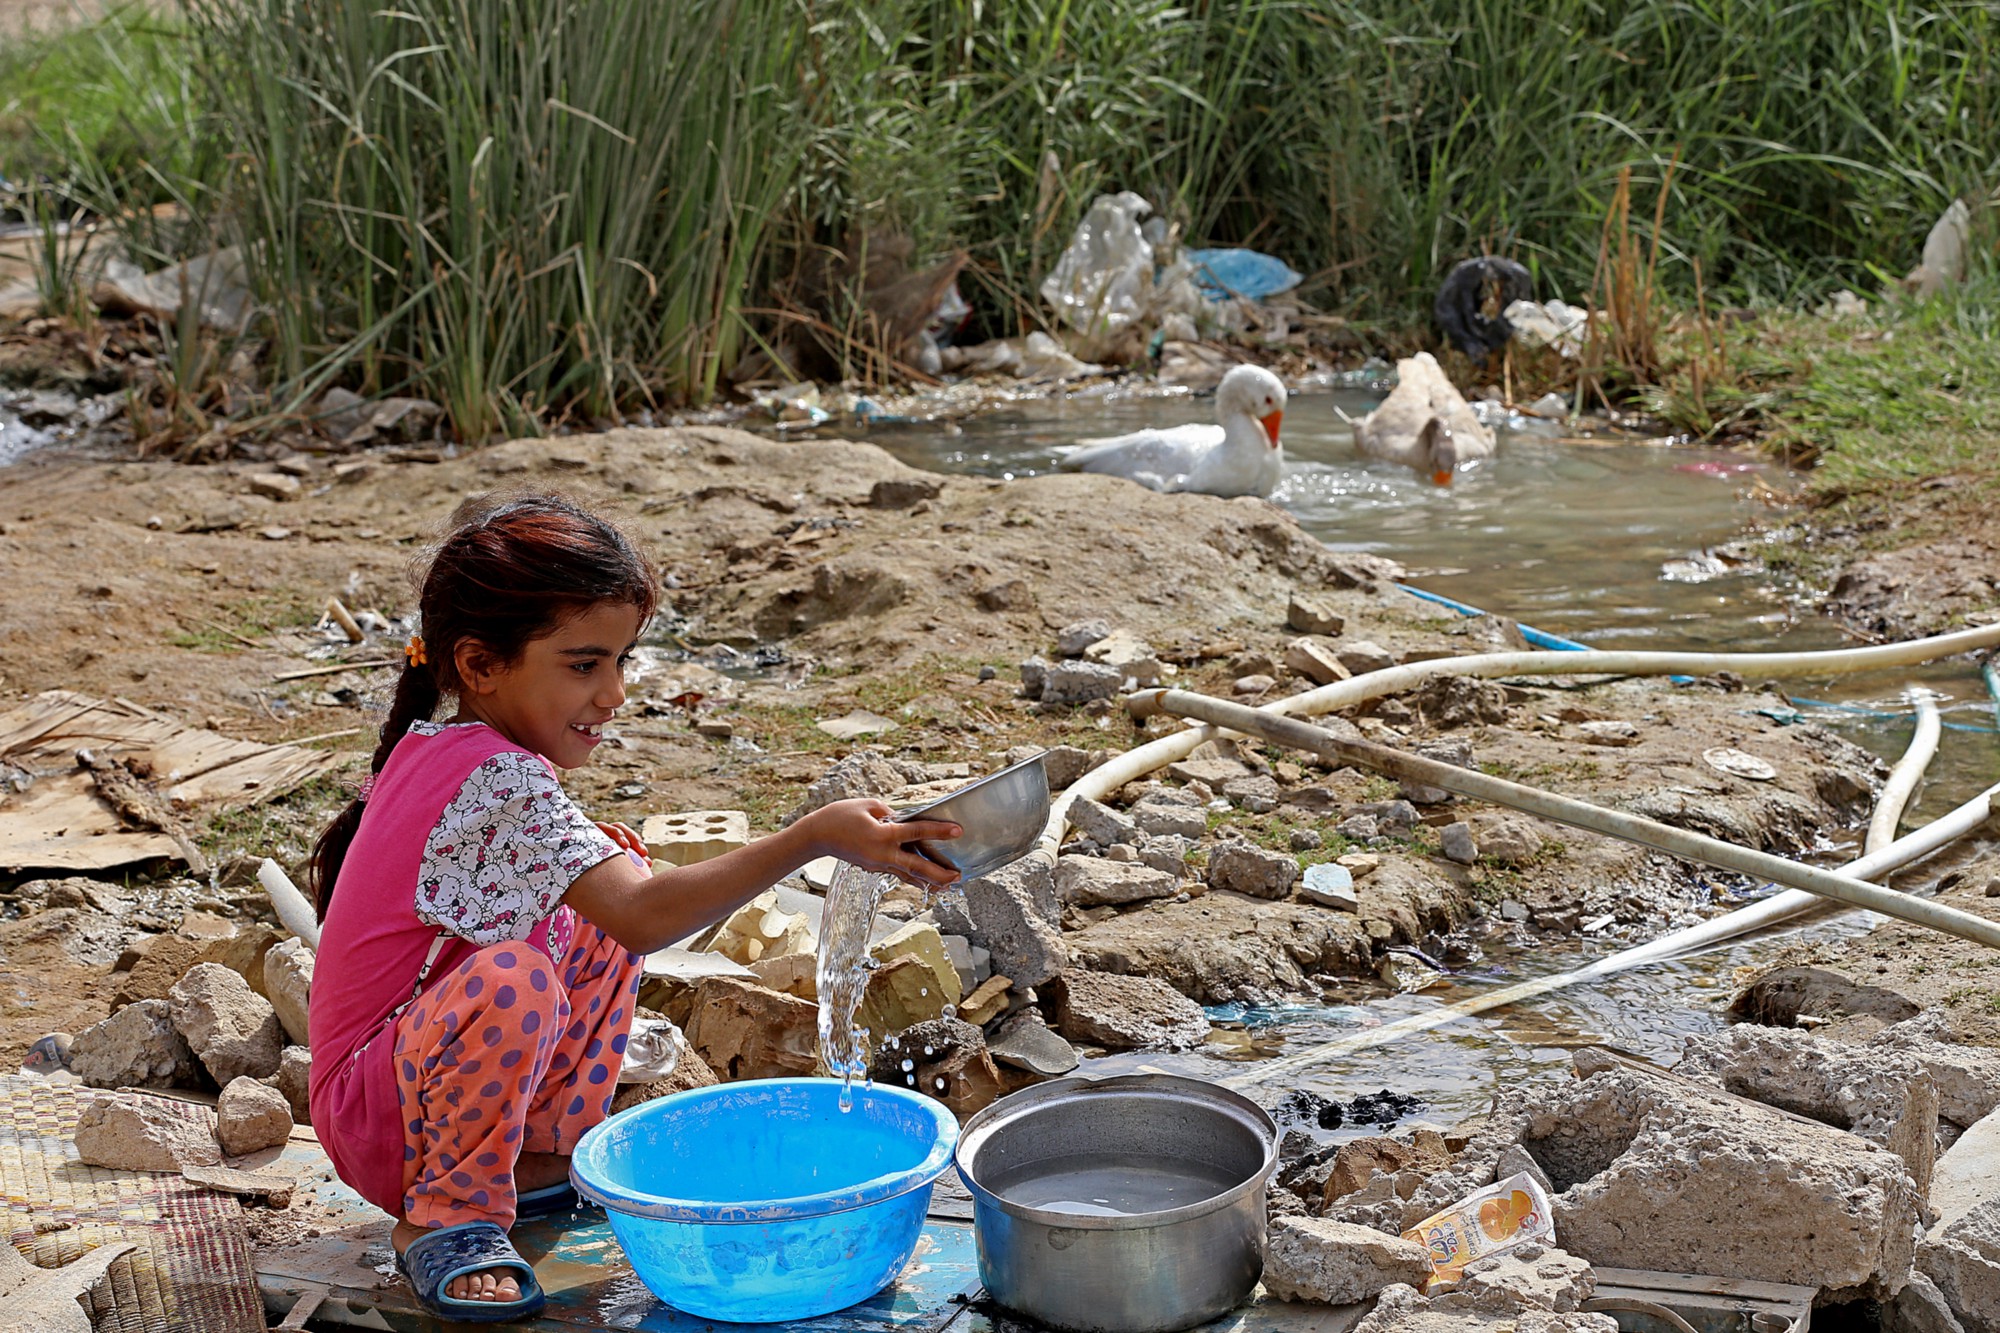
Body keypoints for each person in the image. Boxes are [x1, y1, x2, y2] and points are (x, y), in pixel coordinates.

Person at [306, 493, 959, 1322]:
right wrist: (811, 838)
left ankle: (537, 1153)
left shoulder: (455, 746)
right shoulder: (495, 777)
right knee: (522, 974)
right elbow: (648, 917)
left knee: (605, 879)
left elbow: (625, 904)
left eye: (622, 660)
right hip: (376, 1119)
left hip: (394, 1085)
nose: (614, 692)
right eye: (584, 664)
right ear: (478, 665)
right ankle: (450, 1213)